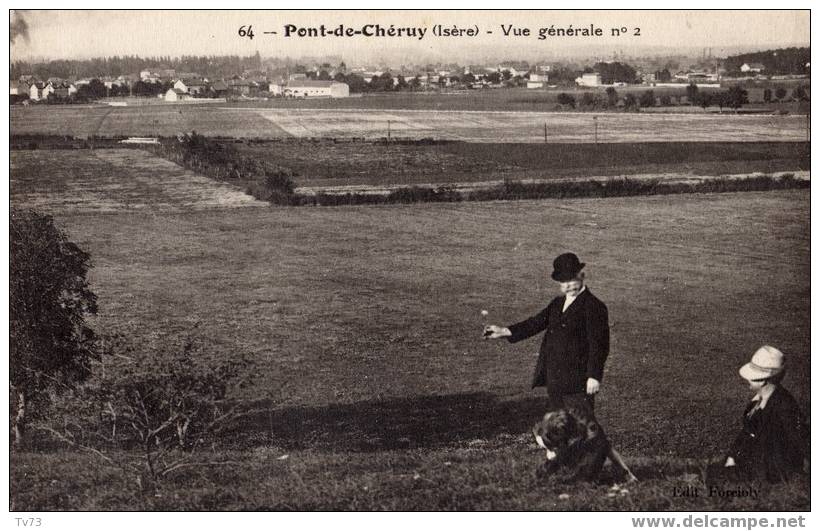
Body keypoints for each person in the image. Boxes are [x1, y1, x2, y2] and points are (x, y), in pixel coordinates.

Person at [484, 252, 610, 411]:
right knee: (558, 427)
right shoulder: (557, 303)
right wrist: (504, 331)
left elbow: (599, 345)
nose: (567, 286)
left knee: (582, 426)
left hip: (578, 381)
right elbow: (536, 323)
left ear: (582, 275)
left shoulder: (594, 306)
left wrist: (594, 376)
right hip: (555, 378)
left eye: (571, 279)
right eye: (562, 282)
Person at [719, 345, 809, 483]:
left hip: (771, 471)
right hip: (757, 462)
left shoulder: (784, 406)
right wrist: (732, 457)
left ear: (761, 380)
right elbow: (747, 432)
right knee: (715, 473)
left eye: (751, 377)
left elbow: (800, 439)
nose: (747, 380)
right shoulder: (758, 402)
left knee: (714, 476)